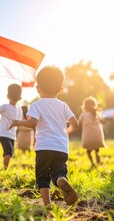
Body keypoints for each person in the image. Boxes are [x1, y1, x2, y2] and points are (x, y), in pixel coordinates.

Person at [10, 66, 79, 206]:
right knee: (58, 171)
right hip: (61, 148)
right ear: (60, 89)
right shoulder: (63, 105)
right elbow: (75, 123)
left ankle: (47, 204)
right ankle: (60, 180)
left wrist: (18, 122)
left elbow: (33, 123)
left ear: (38, 88)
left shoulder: (37, 105)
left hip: (44, 148)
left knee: (42, 177)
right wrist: (68, 131)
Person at [0, 84, 23, 169]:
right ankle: (5, 169)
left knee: (10, 152)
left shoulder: (19, 110)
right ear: (20, 98)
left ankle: (5, 167)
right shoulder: (5, 107)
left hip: (12, 135)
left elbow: (19, 121)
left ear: (8, 96)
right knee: (8, 151)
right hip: (3, 133)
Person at [79, 96, 106, 167]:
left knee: (88, 151)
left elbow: (78, 123)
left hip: (88, 136)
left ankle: (92, 163)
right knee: (97, 150)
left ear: (84, 106)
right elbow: (103, 122)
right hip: (97, 135)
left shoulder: (83, 115)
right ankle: (98, 159)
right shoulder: (96, 114)